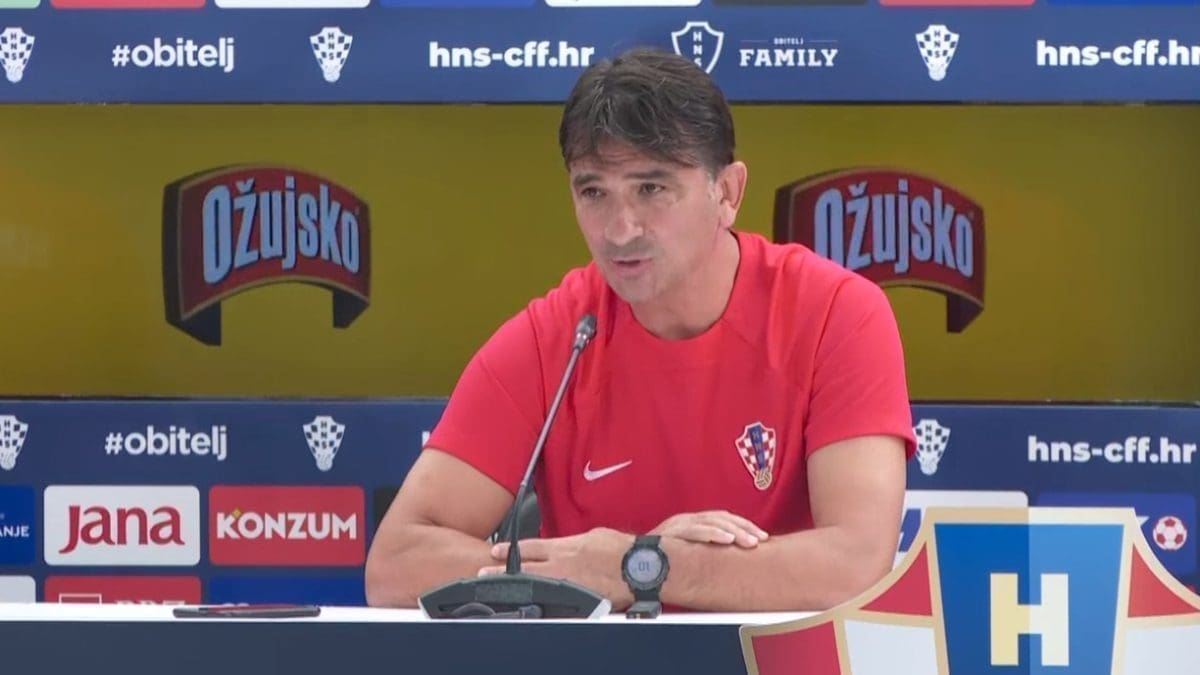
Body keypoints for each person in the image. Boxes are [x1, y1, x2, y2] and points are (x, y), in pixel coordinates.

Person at [365, 47, 915, 613]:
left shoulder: (837, 314)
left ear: (727, 193)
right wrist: (582, 568)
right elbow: (396, 563)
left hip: (774, 656)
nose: (620, 230)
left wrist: (635, 564)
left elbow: (857, 564)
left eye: (651, 189)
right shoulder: (557, 336)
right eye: (593, 192)